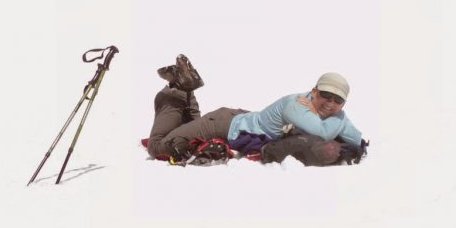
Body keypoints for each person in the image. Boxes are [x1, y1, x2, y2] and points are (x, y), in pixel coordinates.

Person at [146, 55, 366, 166]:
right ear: (314, 91)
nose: (329, 103)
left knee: (185, 128)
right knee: (159, 147)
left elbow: (356, 138)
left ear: (343, 103)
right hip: (223, 125)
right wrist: (341, 119)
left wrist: (341, 120)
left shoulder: (329, 112)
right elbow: (323, 132)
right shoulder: (296, 104)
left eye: (337, 100)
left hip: (237, 119)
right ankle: (175, 90)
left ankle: (185, 90)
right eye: (325, 95)